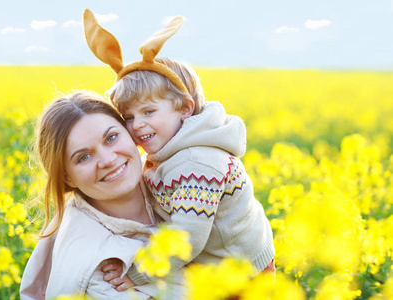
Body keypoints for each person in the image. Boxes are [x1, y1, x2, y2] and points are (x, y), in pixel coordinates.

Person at [82, 9, 275, 288]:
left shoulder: (198, 163)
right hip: (214, 262)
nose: (137, 125)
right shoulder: (168, 151)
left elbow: (187, 238)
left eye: (149, 111)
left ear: (184, 108)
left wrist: (136, 274)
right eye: (129, 117)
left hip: (241, 273)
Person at [19, 91, 183, 299]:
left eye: (111, 138)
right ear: (67, 178)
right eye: (84, 157)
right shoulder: (96, 269)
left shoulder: (181, 178)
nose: (108, 159)